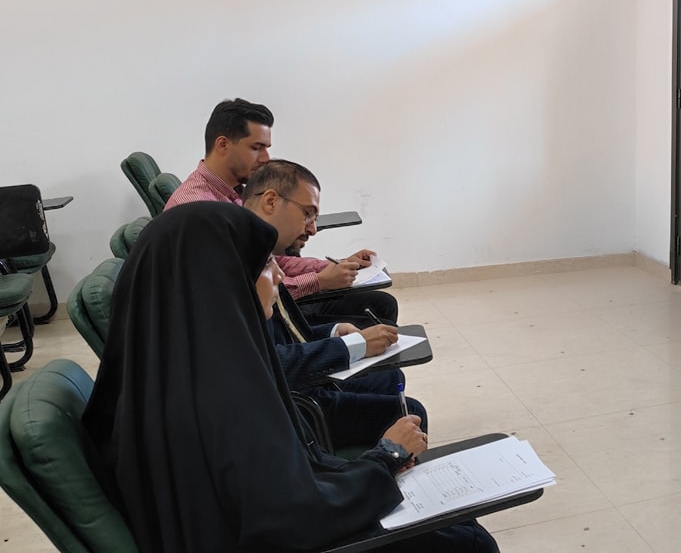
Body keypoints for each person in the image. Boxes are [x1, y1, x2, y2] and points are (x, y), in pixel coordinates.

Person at [83, 201, 497, 552]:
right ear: (220, 281)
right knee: (469, 542)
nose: (280, 277)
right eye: (266, 265)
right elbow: (294, 518)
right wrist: (385, 456)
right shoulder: (223, 397)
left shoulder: (173, 367)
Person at [244, 159, 427, 449]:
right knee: (412, 413)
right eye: (307, 214)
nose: (313, 229)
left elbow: (282, 338)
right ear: (270, 200)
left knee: (391, 377)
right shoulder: (244, 264)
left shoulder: (258, 250)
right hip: (293, 405)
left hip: (296, 383)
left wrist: (334, 331)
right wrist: (352, 346)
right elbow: (270, 362)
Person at [166, 97, 396, 326]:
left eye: (267, 148)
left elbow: (270, 260)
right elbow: (242, 290)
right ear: (223, 145)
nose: (266, 159)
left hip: (274, 303)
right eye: (256, 148)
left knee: (381, 304)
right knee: (376, 317)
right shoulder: (200, 211)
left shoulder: (235, 193)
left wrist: (333, 267)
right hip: (257, 319)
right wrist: (318, 281)